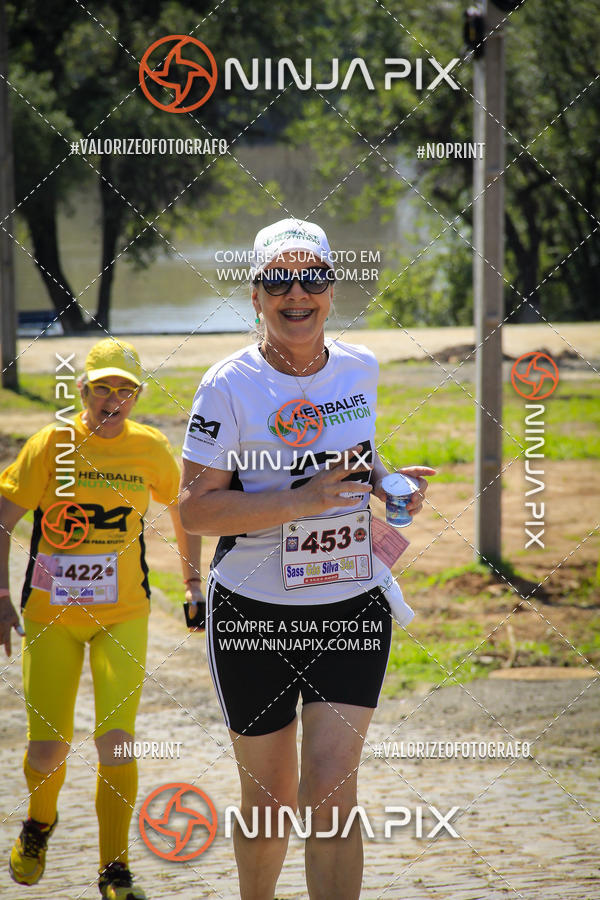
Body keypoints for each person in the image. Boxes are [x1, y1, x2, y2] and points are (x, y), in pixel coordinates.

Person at [179, 218, 435, 900]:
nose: (298, 293)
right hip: (254, 613)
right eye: (279, 280)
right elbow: (196, 510)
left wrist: (386, 484)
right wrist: (304, 499)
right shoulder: (227, 385)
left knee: (330, 793)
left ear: (331, 287)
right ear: (256, 294)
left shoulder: (360, 367)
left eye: (313, 278)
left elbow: (358, 456)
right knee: (270, 801)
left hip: (350, 603)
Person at [0, 338, 203, 899]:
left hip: (123, 615)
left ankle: (115, 870)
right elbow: (5, 515)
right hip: (51, 617)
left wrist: (192, 582)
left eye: (125, 389)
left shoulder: (150, 448)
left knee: (117, 744)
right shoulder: (51, 443)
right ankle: (39, 824)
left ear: (136, 395)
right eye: (103, 388)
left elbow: (184, 510)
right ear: (83, 390)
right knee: (48, 749)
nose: (113, 399)